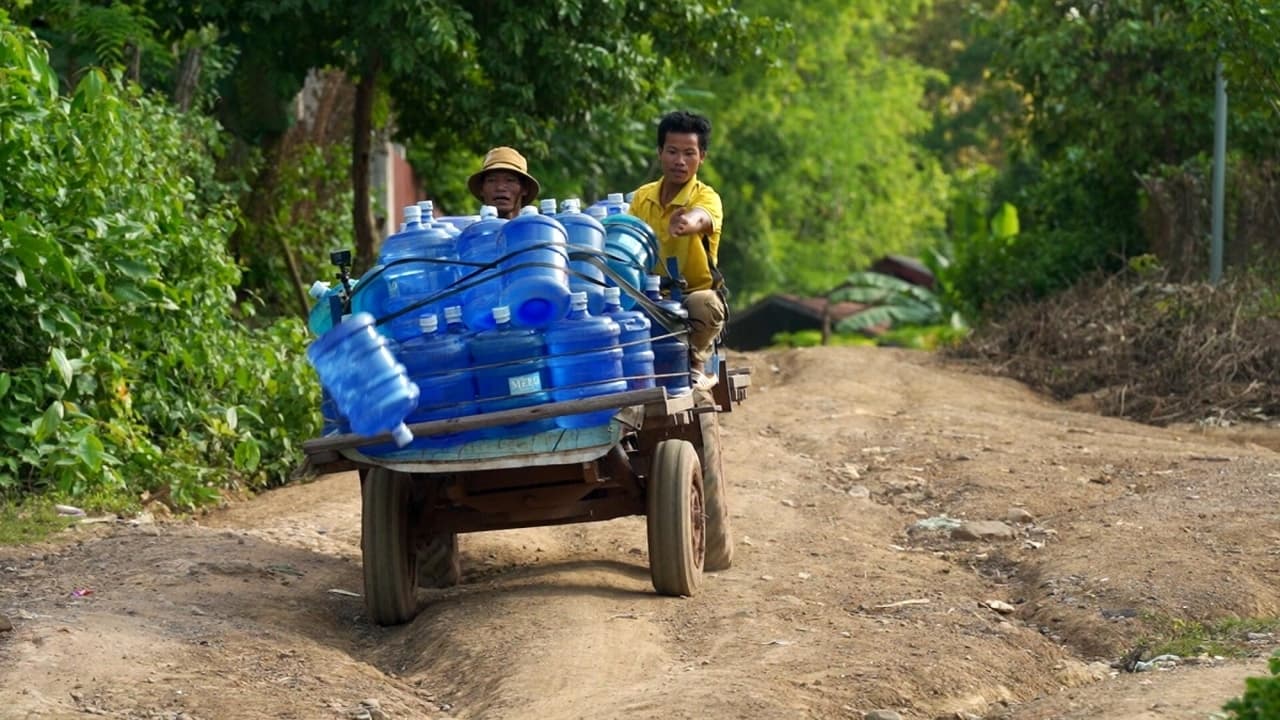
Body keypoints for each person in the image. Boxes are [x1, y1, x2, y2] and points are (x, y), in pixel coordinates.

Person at [629, 111, 726, 391]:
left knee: (706, 303)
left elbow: (702, 217)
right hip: (646, 294)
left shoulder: (706, 196)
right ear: (660, 152)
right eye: (672, 151)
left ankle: (697, 364)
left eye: (689, 153)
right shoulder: (642, 197)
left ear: (702, 157)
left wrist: (686, 222)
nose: (680, 161)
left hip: (690, 296)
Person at [467, 146, 540, 219]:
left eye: (510, 180)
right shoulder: (470, 229)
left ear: (524, 188)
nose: (500, 187)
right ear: (481, 189)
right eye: (492, 180)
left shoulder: (536, 229)